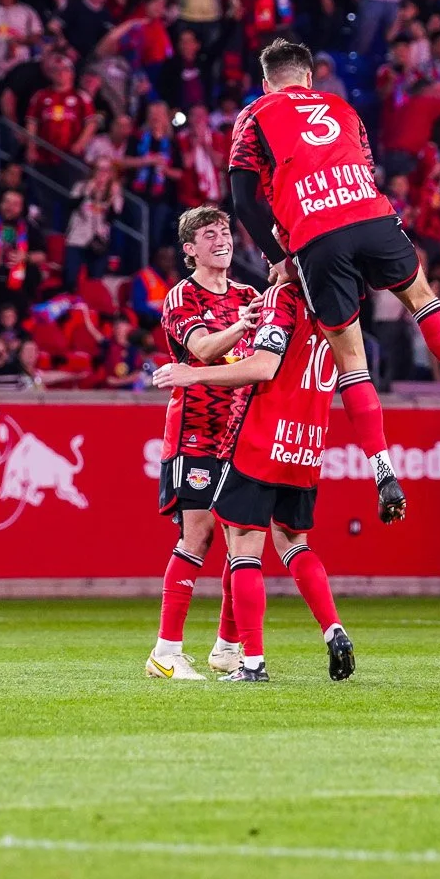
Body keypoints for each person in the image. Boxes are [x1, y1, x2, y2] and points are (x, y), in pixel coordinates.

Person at [228, 40, 440, 512]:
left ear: (266, 83)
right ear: (308, 79)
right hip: (370, 214)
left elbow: (243, 200)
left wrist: (276, 255)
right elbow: (362, 166)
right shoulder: (341, 107)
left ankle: (384, 474)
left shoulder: (255, 113)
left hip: (317, 235)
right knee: (424, 300)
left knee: (352, 358)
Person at [153, 276, 389, 682]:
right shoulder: (339, 306)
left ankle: (246, 660)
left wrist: (191, 375)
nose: (264, 258)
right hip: (305, 445)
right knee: (293, 543)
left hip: (258, 437)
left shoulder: (280, 296)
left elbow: (262, 367)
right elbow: (357, 380)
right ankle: (330, 629)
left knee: (240, 545)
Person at [146, 206, 259, 680]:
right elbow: (201, 351)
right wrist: (241, 326)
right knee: (199, 533)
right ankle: (165, 652)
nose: (222, 240)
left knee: (241, 542)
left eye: (226, 232)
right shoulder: (182, 296)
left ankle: (227, 647)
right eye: (209, 235)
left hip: (239, 433)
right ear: (190, 249)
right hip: (193, 430)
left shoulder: (249, 294)